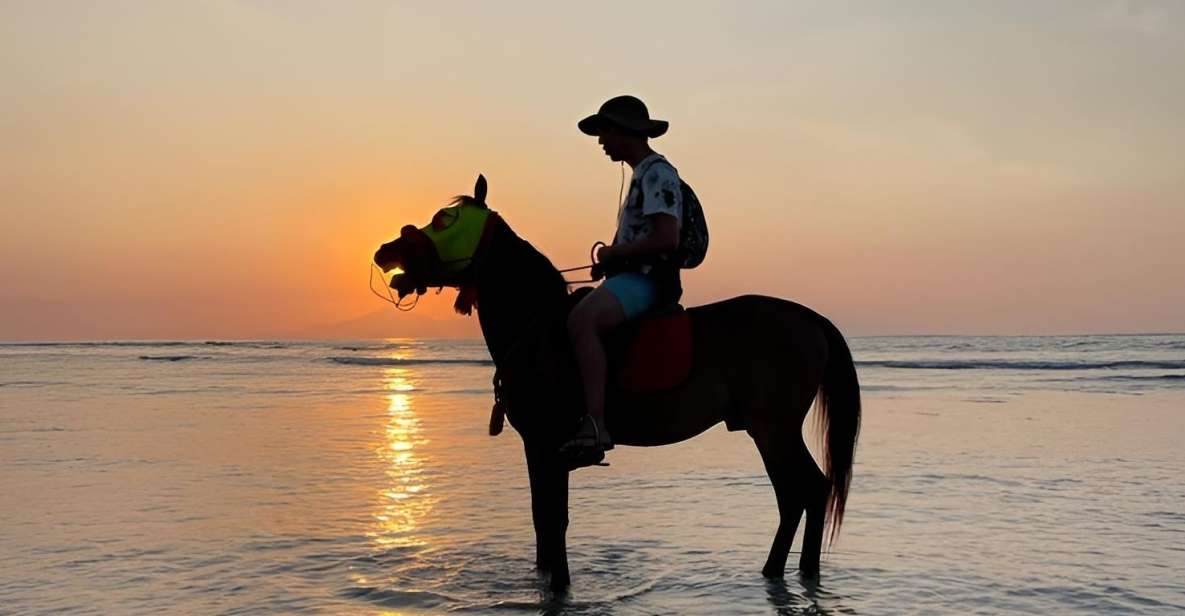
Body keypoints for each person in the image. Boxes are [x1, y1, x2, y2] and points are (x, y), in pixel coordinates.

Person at [563, 95, 683, 468]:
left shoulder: (658, 173)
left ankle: (597, 424)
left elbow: (667, 238)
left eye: (605, 132)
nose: (601, 141)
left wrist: (616, 255)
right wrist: (611, 264)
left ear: (626, 132)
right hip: (631, 276)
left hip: (647, 282)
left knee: (582, 321)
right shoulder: (642, 175)